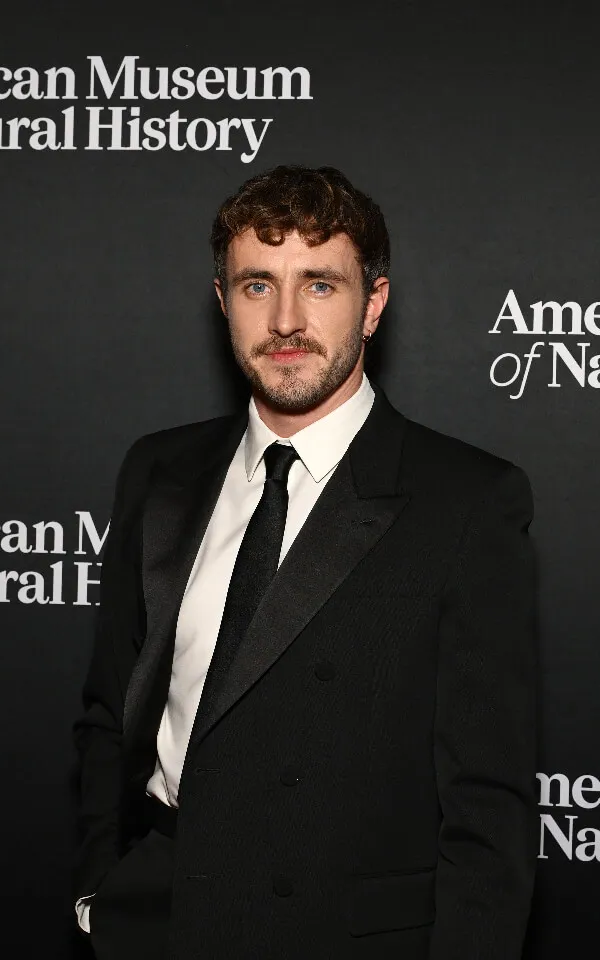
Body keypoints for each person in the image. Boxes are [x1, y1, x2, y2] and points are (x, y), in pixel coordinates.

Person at [73, 165, 538, 959]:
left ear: (374, 304)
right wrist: (97, 889)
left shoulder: (465, 500)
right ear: (223, 302)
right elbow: (108, 711)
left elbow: (486, 803)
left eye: (319, 285)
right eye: (258, 286)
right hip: (156, 920)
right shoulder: (160, 472)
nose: (286, 320)